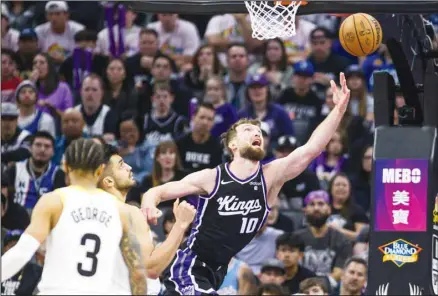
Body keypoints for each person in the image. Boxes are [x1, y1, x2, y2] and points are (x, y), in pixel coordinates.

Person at [142, 73, 351, 294]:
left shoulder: (271, 176)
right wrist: (148, 204)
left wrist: (337, 112)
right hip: (189, 266)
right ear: (232, 144)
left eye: (259, 131)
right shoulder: (212, 177)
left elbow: (311, 150)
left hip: (217, 272)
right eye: (248, 130)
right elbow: (159, 191)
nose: (256, 133)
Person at [1, 138, 148, 294]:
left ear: (65, 167)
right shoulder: (121, 210)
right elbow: (138, 272)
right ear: (100, 170)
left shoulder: (54, 201)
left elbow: (21, 252)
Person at [97, 144, 197, 295]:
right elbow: (151, 269)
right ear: (109, 181)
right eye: (121, 165)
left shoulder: (91, 212)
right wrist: (181, 225)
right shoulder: (129, 213)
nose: (129, 167)